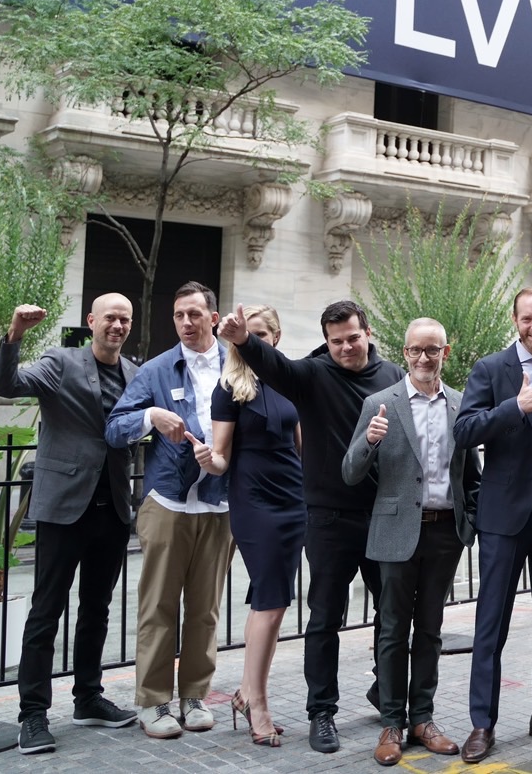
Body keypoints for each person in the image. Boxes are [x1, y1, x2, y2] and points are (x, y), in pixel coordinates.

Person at [221, 299, 405, 753]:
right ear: (326, 340)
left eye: (352, 338)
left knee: (393, 615)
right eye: (336, 340)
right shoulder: (311, 375)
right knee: (324, 620)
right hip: (327, 519)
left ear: (367, 332)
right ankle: (321, 712)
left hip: (383, 515)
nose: (345, 347)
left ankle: (388, 696)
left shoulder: (393, 376)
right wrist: (243, 339)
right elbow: (274, 364)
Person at [0, 296, 140, 754]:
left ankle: (88, 698)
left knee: (97, 609)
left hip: (112, 508)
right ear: (91, 321)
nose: (117, 325)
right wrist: (15, 334)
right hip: (63, 510)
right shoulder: (60, 361)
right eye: (110, 318)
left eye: (125, 319)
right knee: (46, 611)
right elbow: (7, 384)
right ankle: (32, 715)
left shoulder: (135, 372)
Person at [452, 288, 532, 763]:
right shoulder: (492, 368)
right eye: (527, 319)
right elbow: (464, 431)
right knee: (491, 625)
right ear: (515, 319)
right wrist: (515, 408)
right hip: (505, 515)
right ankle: (482, 724)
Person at [343, 319, 475, 767]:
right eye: (416, 350)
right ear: (404, 353)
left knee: (432, 630)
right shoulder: (380, 404)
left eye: (432, 350)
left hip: (444, 533)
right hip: (397, 531)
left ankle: (424, 718)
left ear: (446, 352)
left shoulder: (460, 405)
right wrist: (369, 442)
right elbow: (350, 471)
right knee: (393, 629)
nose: (424, 358)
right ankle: (392, 721)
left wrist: (469, 523)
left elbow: (470, 474)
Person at [105, 282, 233, 740]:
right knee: (158, 606)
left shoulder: (236, 365)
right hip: (168, 503)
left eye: (195, 314)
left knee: (205, 610)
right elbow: (115, 428)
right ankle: (154, 702)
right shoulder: (157, 369)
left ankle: (194, 695)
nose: (186, 322)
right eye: (179, 315)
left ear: (213, 318)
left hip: (218, 504)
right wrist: (151, 418)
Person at [188, 305, 302, 747]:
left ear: (274, 337)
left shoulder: (289, 384)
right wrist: (207, 459)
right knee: (271, 603)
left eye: (258, 333)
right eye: (242, 333)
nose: (248, 340)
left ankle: (247, 691)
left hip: (293, 502)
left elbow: (299, 450)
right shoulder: (229, 389)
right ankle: (257, 702)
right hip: (255, 504)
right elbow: (220, 459)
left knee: (272, 604)